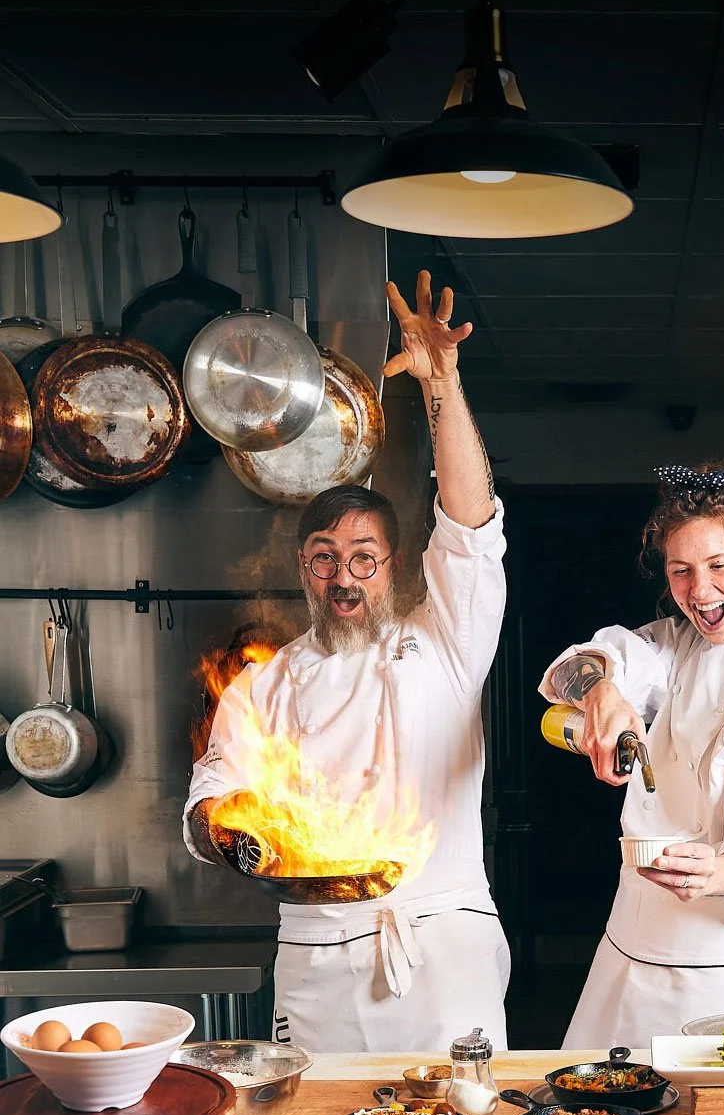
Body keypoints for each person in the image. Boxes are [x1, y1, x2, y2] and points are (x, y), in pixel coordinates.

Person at [184, 272, 511, 1052]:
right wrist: (226, 830)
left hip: (441, 941)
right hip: (318, 951)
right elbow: (214, 792)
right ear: (304, 567)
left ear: (394, 567)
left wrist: (441, 384)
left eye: (363, 557)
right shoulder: (268, 683)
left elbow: (470, 525)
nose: (343, 575)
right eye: (325, 557)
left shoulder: (445, 642)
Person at [539, 464, 724, 1048]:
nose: (699, 591)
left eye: (717, 566)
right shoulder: (675, 641)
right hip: (627, 941)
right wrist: (603, 691)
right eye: (681, 571)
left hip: (719, 961)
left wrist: (714, 873)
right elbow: (595, 661)